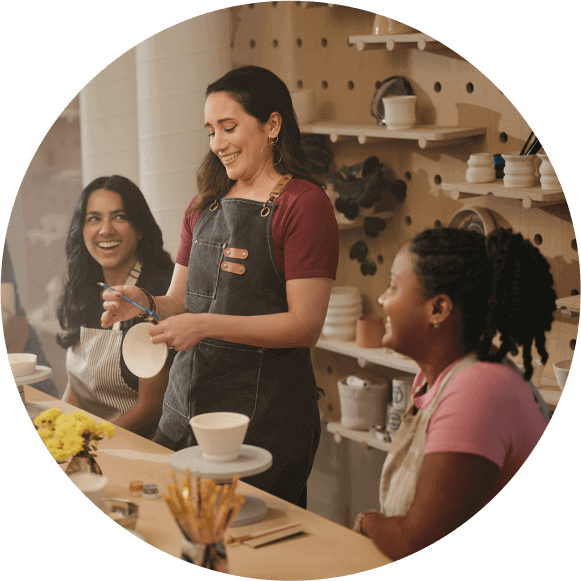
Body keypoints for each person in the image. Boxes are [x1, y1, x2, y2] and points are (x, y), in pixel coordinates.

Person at [100, 66, 339, 508]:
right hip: (186, 409)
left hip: (263, 419)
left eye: (229, 128)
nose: (217, 144)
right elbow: (178, 301)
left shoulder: (304, 205)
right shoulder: (204, 202)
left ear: (272, 124)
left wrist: (204, 326)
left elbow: (304, 325)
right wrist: (144, 302)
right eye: (211, 131)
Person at [353, 227, 554, 560]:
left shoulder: (479, 389)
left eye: (393, 286)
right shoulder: (436, 377)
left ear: (438, 308)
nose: (382, 299)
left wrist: (368, 523)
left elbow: (413, 542)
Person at [58, 175, 176, 439]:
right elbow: (78, 388)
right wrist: (58, 429)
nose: (106, 229)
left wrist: (90, 444)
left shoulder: (156, 293)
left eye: (119, 217)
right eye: (94, 218)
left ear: (139, 227)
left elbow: (150, 408)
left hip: (141, 444)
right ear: (82, 230)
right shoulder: (85, 287)